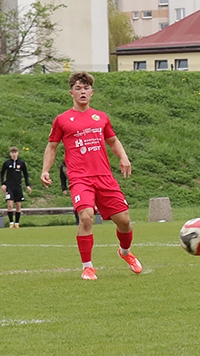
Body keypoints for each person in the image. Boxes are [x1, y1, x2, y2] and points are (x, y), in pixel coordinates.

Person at [39, 72, 143, 280]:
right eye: (78, 88)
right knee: (86, 217)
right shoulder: (62, 120)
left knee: (124, 221)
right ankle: (87, 267)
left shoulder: (101, 117)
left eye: (86, 88)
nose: (83, 92)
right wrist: (45, 170)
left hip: (104, 177)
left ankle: (125, 253)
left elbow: (113, 141)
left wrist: (123, 157)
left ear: (92, 92)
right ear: (72, 93)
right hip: (80, 178)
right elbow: (52, 147)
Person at [2, 147, 32, 228]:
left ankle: (17, 223)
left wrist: (27, 185)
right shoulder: (7, 163)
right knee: (10, 205)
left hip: (18, 186)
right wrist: (3, 184)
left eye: (15, 152)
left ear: (17, 153)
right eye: (12, 152)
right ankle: (11, 223)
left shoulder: (21, 163)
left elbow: (25, 174)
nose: (14, 154)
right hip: (9, 187)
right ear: (10, 154)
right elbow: (2, 173)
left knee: (18, 205)